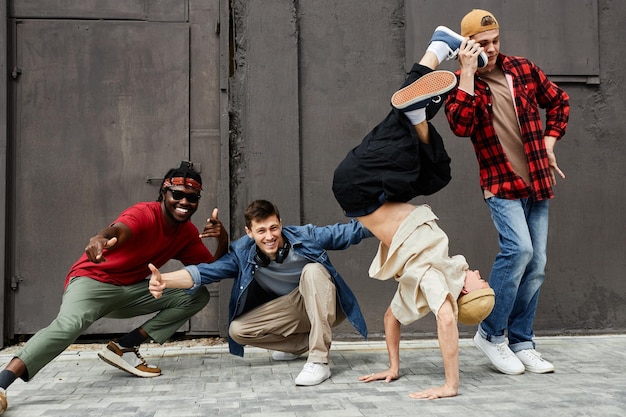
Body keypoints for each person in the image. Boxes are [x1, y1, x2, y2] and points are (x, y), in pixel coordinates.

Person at [332, 27, 494, 399]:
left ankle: (422, 102)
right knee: (435, 169)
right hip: (370, 187)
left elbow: (448, 318)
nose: (480, 274)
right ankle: (433, 64)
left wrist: (450, 384)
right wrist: (393, 365)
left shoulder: (439, 281)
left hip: (361, 186)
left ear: (468, 294)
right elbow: (391, 318)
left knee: (403, 128)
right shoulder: (420, 287)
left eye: (481, 283)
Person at [0, 161, 229, 414]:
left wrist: (223, 238)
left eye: (192, 198)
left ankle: (124, 346)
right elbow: (120, 230)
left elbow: (210, 272)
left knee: (195, 293)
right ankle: (2, 384)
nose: (184, 202)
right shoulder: (144, 213)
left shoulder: (186, 233)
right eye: (177, 195)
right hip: (91, 282)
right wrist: (100, 238)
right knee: (69, 326)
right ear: (164, 193)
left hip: (129, 292)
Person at [444, 9, 570, 375]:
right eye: (483, 43)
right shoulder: (460, 82)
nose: (492, 48)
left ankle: (522, 340)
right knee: (519, 251)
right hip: (501, 184)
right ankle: (491, 333)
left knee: (537, 264)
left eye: (495, 40)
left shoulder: (523, 69)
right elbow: (460, 126)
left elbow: (559, 101)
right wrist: (467, 71)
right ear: (467, 44)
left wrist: (549, 140)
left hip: (537, 183)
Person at [148, 199, 372, 387]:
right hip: (293, 309)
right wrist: (164, 280)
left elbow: (349, 232)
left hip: (327, 304)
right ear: (249, 232)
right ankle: (299, 345)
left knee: (312, 270)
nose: (269, 236)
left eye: (274, 228)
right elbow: (205, 272)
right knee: (238, 330)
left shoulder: (306, 236)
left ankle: (319, 361)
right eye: (261, 231)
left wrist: (389, 220)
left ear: (281, 224)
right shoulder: (243, 254)